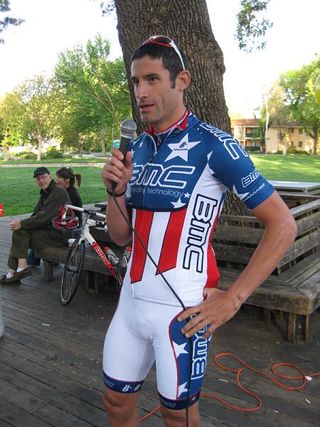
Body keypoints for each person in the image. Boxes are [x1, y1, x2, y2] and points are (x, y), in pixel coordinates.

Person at [101, 36, 297, 427]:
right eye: (136, 82)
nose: (141, 92)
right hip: (131, 303)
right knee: (115, 404)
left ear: (182, 80)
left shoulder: (216, 146)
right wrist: (117, 191)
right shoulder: (136, 148)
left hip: (183, 309)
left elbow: (283, 223)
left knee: (179, 417)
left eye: (152, 79)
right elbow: (121, 236)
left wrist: (234, 298)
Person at [0, 167, 71, 285]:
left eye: (43, 177)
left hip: (59, 235)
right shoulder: (46, 193)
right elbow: (36, 214)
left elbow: (44, 217)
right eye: (38, 179)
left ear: (50, 176)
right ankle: (13, 272)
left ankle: (18, 270)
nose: (41, 181)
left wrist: (21, 224)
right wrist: (21, 224)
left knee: (20, 233)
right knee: (19, 233)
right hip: (48, 231)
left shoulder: (58, 192)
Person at [27, 166, 83, 267]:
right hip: (64, 227)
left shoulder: (69, 193)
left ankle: (33, 261)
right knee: (38, 230)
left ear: (67, 180)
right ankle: (34, 261)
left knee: (38, 232)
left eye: (59, 178)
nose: (56, 180)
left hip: (73, 231)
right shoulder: (63, 191)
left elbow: (60, 216)